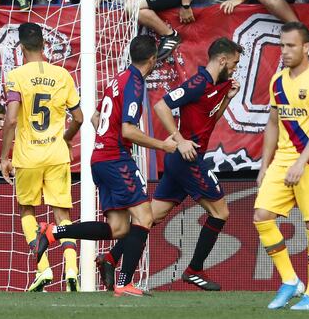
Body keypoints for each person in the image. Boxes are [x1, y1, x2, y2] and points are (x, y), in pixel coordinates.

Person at [33, 36, 178, 297]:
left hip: (99, 159)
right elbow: (128, 130)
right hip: (115, 159)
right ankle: (124, 282)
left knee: (119, 229)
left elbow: (95, 116)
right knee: (145, 217)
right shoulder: (134, 83)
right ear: (153, 59)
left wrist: (105, 136)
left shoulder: (119, 78)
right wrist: (162, 145)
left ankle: (54, 231)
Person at [99, 37, 243, 292]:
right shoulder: (198, 83)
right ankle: (194, 270)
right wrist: (180, 139)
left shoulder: (214, 86)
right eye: (233, 63)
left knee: (151, 216)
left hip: (182, 160)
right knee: (220, 212)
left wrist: (227, 99)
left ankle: (110, 259)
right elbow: (161, 104)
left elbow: (210, 120)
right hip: (187, 159)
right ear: (222, 60)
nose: (234, 68)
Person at [253, 21, 309, 311]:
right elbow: (273, 123)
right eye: (282, 45)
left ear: (305, 47)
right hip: (284, 160)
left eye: (290, 46)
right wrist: (265, 165)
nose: (285, 51)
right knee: (262, 216)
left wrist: (301, 162)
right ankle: (290, 280)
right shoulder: (277, 81)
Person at [0, 23, 84, 292]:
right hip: (57, 154)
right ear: (44, 46)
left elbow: (11, 119)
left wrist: (4, 157)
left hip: (28, 157)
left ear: (21, 48)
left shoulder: (15, 76)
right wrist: (68, 138)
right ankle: (71, 269)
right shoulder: (63, 75)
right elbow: (79, 118)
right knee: (62, 215)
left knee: (27, 210)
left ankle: (43, 269)